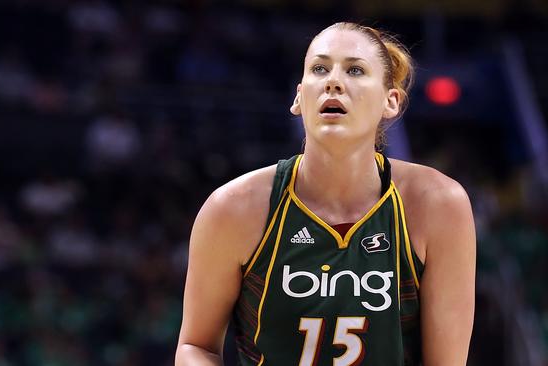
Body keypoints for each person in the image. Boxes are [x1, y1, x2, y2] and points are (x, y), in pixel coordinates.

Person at [176, 22, 476, 366]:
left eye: (355, 70)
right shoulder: (232, 209)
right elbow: (195, 347)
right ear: (299, 97)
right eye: (320, 68)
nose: (333, 80)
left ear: (390, 101)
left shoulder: (439, 205)